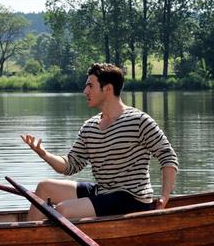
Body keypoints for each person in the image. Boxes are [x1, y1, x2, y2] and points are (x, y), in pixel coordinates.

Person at [21, 63, 178, 220]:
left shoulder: (139, 120)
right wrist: (45, 154)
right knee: (44, 188)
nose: (85, 91)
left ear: (108, 89)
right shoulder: (90, 126)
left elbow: (168, 157)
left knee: (63, 210)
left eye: (90, 86)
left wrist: (164, 197)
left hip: (132, 199)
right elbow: (70, 165)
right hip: (103, 191)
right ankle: (27, 241)